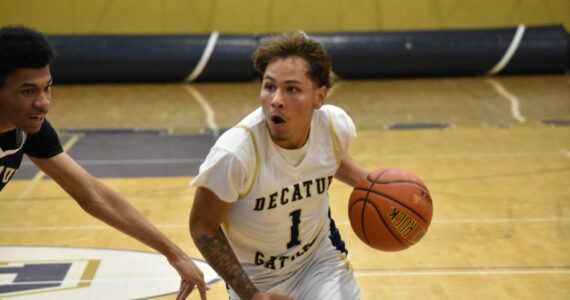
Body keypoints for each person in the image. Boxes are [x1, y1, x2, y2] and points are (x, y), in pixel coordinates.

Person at [0, 26, 208, 300]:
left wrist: (174, 254)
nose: (43, 103)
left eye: (47, 88)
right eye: (28, 92)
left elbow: (93, 194)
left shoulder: (29, 130)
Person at [190, 31, 369, 300]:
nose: (276, 100)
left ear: (319, 97)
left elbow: (329, 158)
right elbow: (202, 226)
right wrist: (251, 295)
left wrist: (377, 188)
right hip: (254, 278)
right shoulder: (235, 154)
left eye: (292, 89)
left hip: (318, 263)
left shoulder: (334, 127)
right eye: (269, 86)